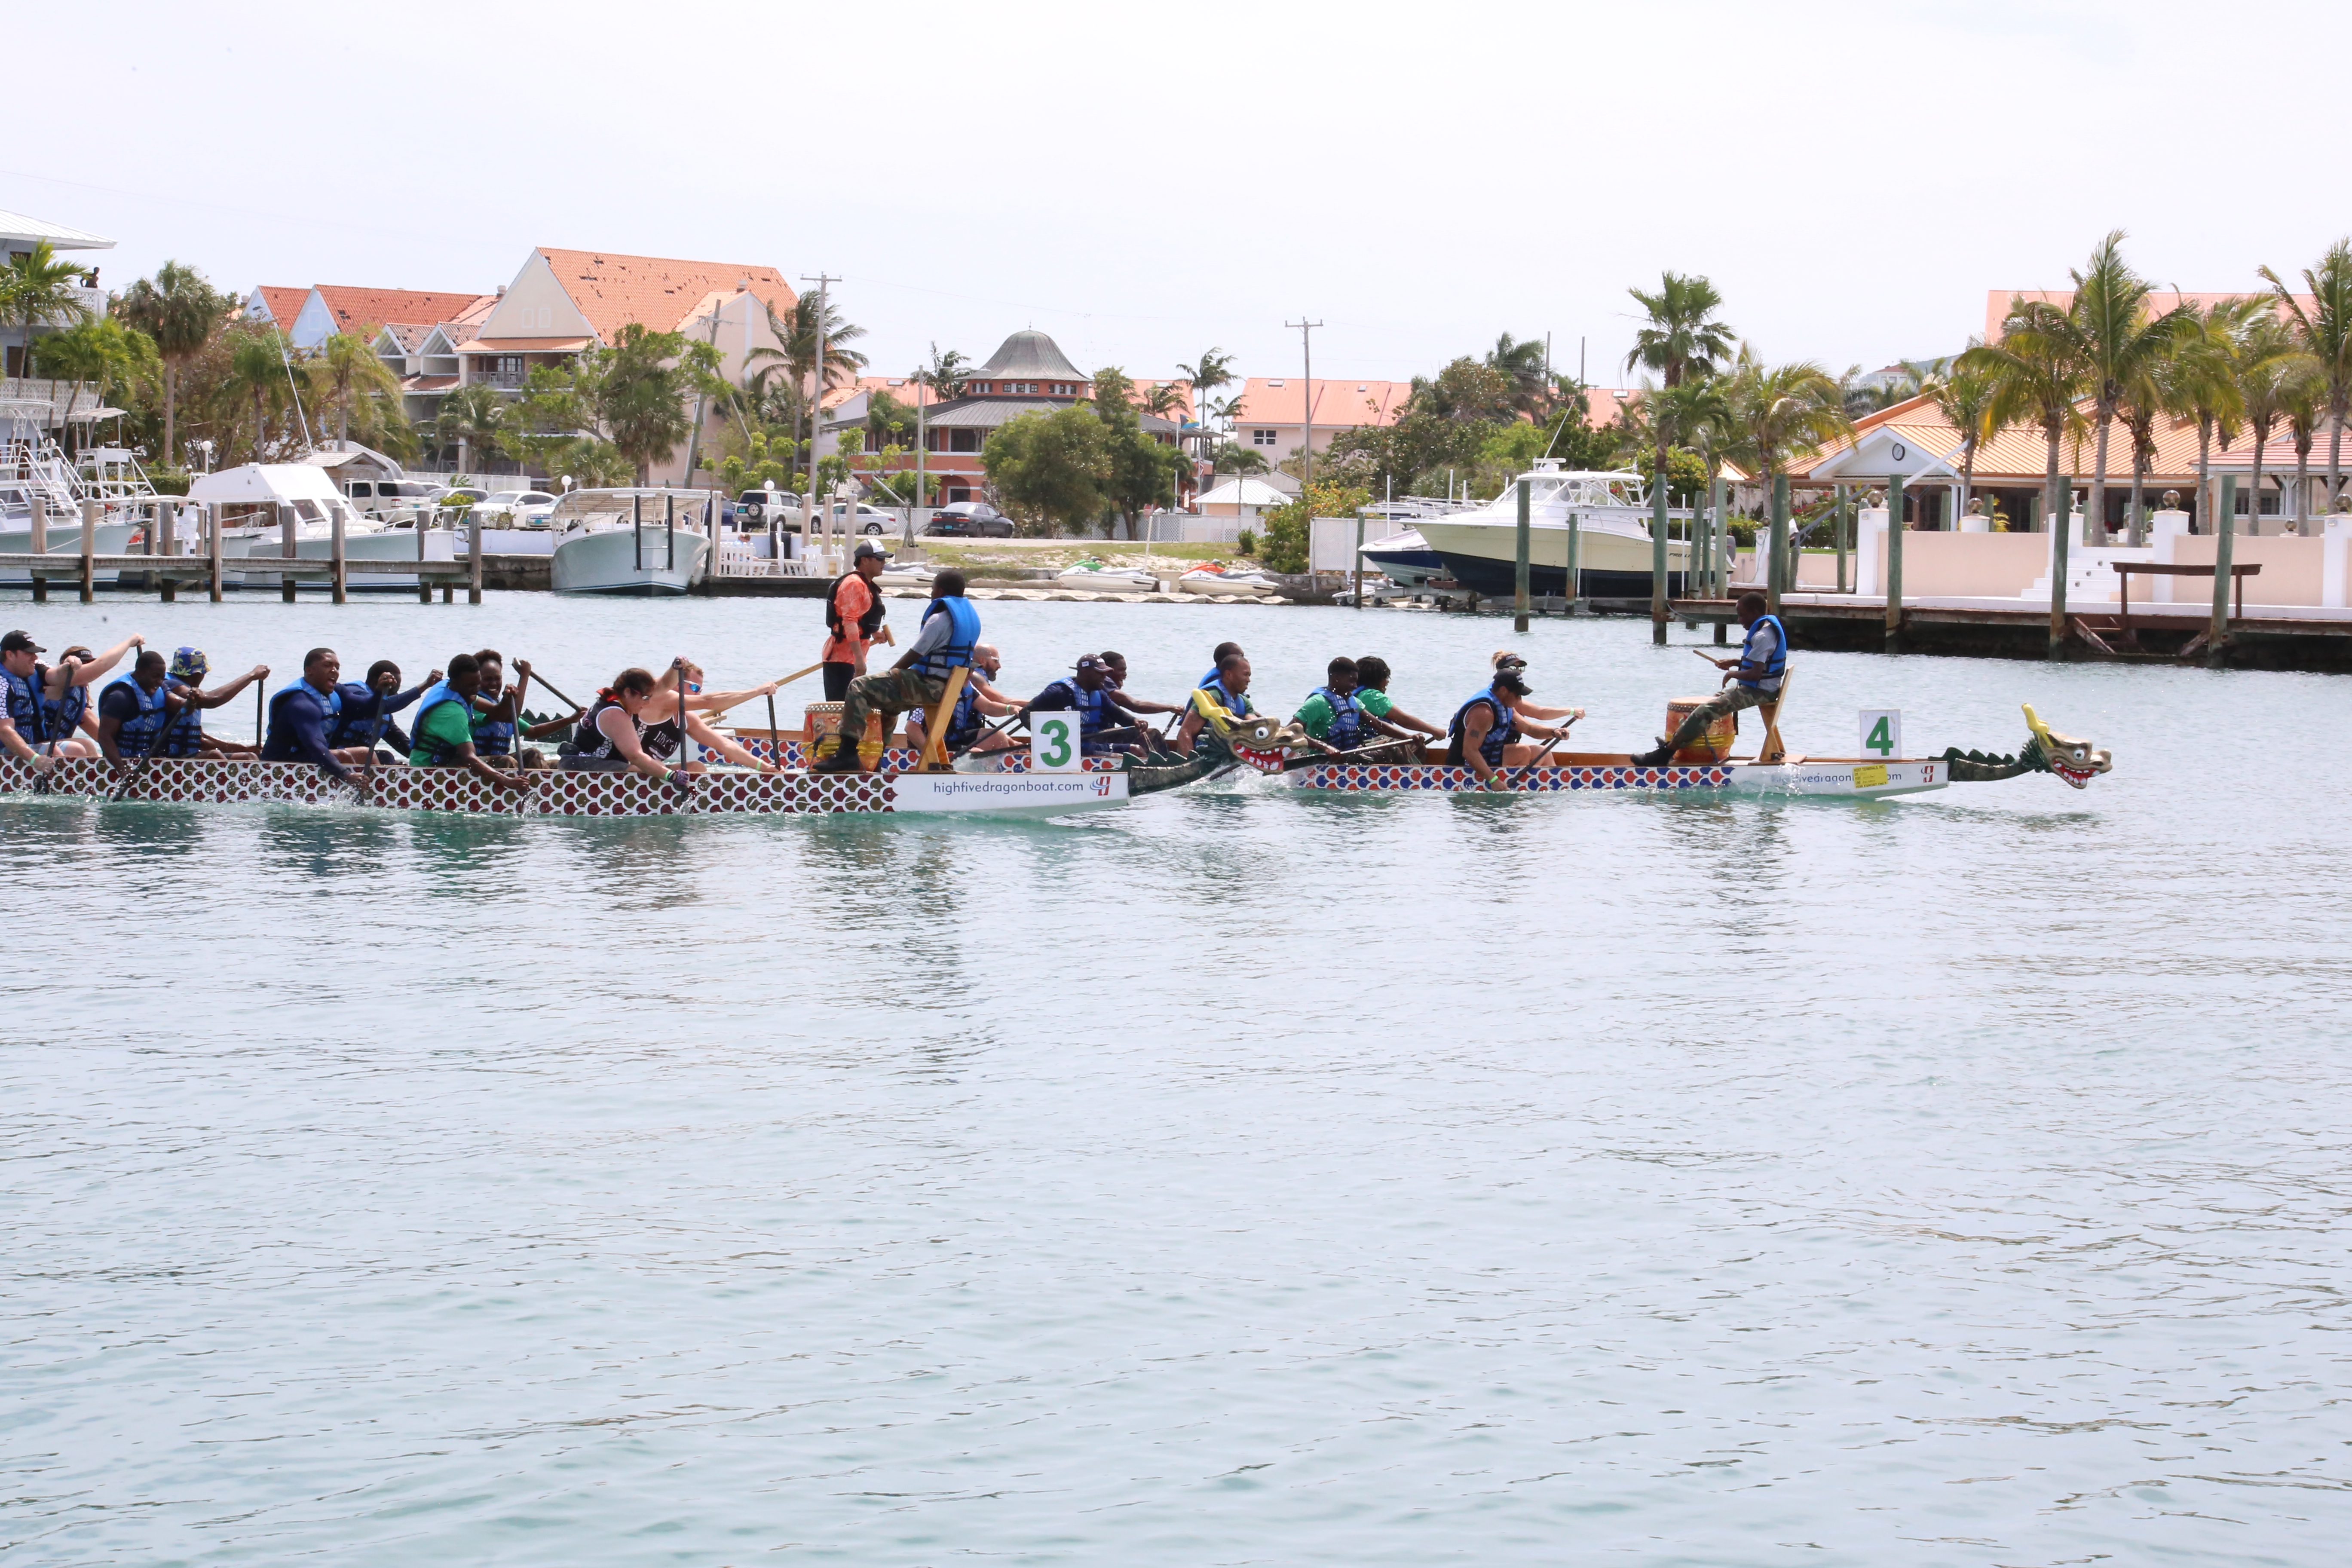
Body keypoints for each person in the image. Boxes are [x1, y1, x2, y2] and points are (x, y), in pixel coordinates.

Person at [813, 571, 980, 773]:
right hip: (947, 688)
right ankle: (876, 759)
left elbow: (913, 655)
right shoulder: (971, 618)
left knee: (859, 686)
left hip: (929, 685)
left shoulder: (939, 619)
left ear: (940, 590)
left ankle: (847, 755)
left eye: (933, 588)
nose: (932, 593)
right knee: (889, 703)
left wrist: (891, 673)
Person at [1629, 592, 1784, 766]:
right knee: (1713, 699)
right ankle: (1680, 743)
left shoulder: (1762, 636)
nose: (1740, 620)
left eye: (1742, 615)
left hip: (1762, 691)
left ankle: (1665, 753)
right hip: (1760, 687)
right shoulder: (1767, 628)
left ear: (1755, 613)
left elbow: (1755, 674)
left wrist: (1732, 673)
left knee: (1706, 710)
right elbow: (1763, 663)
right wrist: (1733, 662)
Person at [0, 631, 144, 763]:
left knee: (85, 745)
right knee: (66, 750)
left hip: (35, 745)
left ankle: (88, 783)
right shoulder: (3, 683)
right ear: (10, 655)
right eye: (28, 653)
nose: (35, 657)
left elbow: (60, 674)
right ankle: (66, 787)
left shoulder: (37, 670)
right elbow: (5, 731)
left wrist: (66, 667)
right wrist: (34, 760)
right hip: (9, 752)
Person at [403, 654, 534, 792]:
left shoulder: (452, 688)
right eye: (471, 685)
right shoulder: (453, 713)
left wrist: (507, 699)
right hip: (428, 771)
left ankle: (536, 791)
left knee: (533, 754)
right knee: (506, 761)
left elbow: (499, 714)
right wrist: (509, 782)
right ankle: (514, 794)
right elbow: (470, 758)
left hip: (449, 760)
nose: (476, 689)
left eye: (478, 683)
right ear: (456, 682)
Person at [1446, 654, 1581, 787]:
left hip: (1489, 757)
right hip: (1461, 768)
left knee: (1540, 751)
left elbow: (1529, 729)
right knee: (1522, 751)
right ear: (1504, 691)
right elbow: (1469, 752)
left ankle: (1554, 789)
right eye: (1518, 694)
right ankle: (1515, 791)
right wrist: (1493, 781)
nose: (1520, 699)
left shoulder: (1506, 705)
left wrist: (1554, 732)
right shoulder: (1484, 713)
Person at [639, 660, 784, 768]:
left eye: (700, 690)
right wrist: (756, 692)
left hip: (653, 770)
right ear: (677, 684)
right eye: (695, 687)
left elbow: (724, 745)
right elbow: (709, 701)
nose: (698, 693)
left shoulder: (687, 719)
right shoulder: (662, 699)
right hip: (627, 769)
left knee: (697, 768)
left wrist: (765, 767)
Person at [260, 647, 374, 783]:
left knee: (367, 753)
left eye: (337, 667)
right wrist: (346, 775)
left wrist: (382, 693)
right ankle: (362, 792)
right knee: (342, 756)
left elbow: (379, 707)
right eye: (328, 665)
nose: (334, 671)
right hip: (277, 767)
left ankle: (375, 790)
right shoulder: (301, 704)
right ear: (310, 670)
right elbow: (316, 746)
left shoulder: (334, 692)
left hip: (306, 756)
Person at [903, 642, 1024, 756]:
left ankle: (996, 773)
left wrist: (1011, 709)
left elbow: (988, 707)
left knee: (998, 737)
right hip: (932, 745)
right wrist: (932, 756)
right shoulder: (932, 692)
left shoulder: (967, 687)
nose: (971, 674)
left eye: (972, 670)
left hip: (955, 738)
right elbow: (911, 728)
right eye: (968, 670)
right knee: (975, 753)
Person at [472, 649, 580, 771]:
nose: (494, 683)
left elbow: (534, 732)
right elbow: (507, 717)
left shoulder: (501, 705)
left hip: (498, 763)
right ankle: (538, 789)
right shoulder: (475, 704)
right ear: (477, 679)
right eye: (488, 679)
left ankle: (551, 789)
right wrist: (524, 677)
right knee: (511, 760)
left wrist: (571, 720)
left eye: (498, 678)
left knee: (558, 764)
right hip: (475, 763)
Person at [1293, 656, 1426, 756]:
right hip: (1323, 759)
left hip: (1349, 754)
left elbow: (1378, 725)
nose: (1355, 686)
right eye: (1351, 681)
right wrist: (1325, 748)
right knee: (1392, 748)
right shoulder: (1317, 703)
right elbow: (1291, 731)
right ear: (1337, 678)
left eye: (1356, 681)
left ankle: (1413, 773)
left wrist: (1407, 737)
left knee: (1402, 744)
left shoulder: (1353, 702)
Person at [1025, 654, 1151, 757]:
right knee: (1124, 756)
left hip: (1090, 745)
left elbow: (1119, 716)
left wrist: (1136, 721)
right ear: (1085, 673)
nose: (1105, 677)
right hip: (1065, 751)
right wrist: (1043, 736)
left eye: (1106, 673)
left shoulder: (1099, 694)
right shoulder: (1059, 692)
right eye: (1100, 673)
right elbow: (1025, 713)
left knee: (1137, 750)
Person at [159, 648, 269, 758]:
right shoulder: (172, 685)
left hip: (189, 757)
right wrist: (252, 676)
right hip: (169, 760)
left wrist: (243, 748)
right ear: (198, 674)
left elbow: (201, 740)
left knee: (248, 757)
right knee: (214, 756)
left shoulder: (188, 689)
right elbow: (213, 699)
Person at [821, 540, 894, 701]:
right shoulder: (854, 584)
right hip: (841, 659)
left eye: (884, 560)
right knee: (841, 711)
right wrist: (859, 660)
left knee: (854, 709)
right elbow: (849, 621)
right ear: (865, 560)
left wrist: (875, 633)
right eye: (880, 559)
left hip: (852, 658)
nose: (884, 563)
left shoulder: (865, 584)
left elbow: (863, 617)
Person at [93, 649, 191, 768]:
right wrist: (123, 770)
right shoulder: (119, 697)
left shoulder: (161, 687)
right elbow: (105, 737)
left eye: (162, 677)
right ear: (139, 672)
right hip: (121, 764)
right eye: (155, 677)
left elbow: (184, 710)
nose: (159, 682)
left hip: (150, 764)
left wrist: (192, 701)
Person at [324, 659, 436, 760]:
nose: (395, 695)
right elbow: (378, 706)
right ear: (376, 681)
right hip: (331, 758)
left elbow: (406, 748)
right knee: (384, 757)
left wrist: (435, 755)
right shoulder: (354, 692)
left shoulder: (385, 717)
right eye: (393, 688)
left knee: (386, 758)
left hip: (357, 763)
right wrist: (426, 685)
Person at [1173, 651, 1254, 755]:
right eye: (1245, 675)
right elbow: (1184, 734)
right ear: (1229, 674)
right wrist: (1191, 766)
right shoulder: (1211, 697)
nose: (1249, 680)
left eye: (1249, 676)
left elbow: (1254, 725)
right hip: (1203, 757)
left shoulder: (1244, 702)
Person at [1352, 656, 1443, 742]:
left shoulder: (1355, 695)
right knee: (1417, 746)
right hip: (1369, 743)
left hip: (1358, 742)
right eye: (1386, 678)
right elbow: (1404, 720)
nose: (1387, 682)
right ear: (1377, 679)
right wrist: (1435, 731)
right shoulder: (1372, 696)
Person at [1096, 650, 1185, 731]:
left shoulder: (1106, 686)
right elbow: (1136, 705)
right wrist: (1172, 708)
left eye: (1125, 670)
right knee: (1153, 734)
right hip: (1098, 735)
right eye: (1121, 670)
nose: (1125, 674)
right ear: (1107, 671)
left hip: (1104, 733)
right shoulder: (1105, 682)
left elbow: (1122, 718)